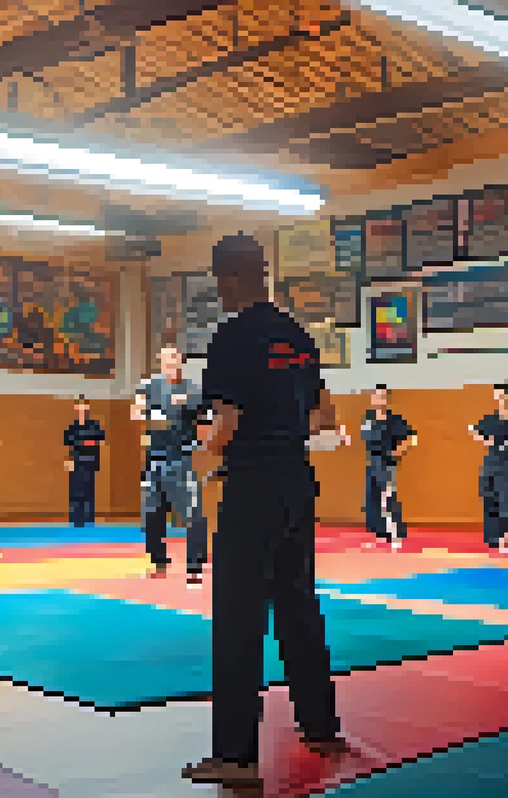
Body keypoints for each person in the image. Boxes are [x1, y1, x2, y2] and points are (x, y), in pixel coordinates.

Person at [182, 234, 348, 789]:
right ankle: (321, 727)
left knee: (238, 618)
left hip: (252, 487)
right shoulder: (298, 337)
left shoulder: (231, 337)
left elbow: (224, 427)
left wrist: (201, 451)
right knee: (298, 606)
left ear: (226, 279)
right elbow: (324, 418)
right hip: (297, 483)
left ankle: (234, 754)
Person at [132, 346, 209, 587]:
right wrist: (147, 413)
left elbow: (206, 415)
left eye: (174, 359)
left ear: (180, 362)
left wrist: (187, 405)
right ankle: (158, 562)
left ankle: (195, 566)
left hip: (181, 457)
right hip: (154, 458)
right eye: (165, 359)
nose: (170, 363)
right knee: (152, 513)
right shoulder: (149, 385)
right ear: (160, 362)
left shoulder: (192, 388)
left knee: (191, 512)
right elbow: (136, 410)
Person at [472, 383, 508, 552]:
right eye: (497, 395)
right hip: (490, 462)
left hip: (505, 463)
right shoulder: (489, 418)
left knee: (505, 500)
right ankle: (491, 538)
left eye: (503, 395)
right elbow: (478, 434)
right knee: (489, 499)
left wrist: (507, 443)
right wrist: (484, 439)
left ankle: (504, 538)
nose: (499, 399)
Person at [360, 384, 416, 551]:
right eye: (376, 396)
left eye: (382, 396)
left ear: (386, 398)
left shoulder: (394, 419)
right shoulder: (368, 418)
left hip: (386, 462)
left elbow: (412, 437)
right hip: (372, 462)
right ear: (372, 398)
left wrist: (398, 451)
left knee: (388, 499)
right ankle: (380, 534)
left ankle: (396, 534)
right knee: (372, 499)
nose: (379, 399)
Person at [63, 395, 105, 527]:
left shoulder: (94, 426)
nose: (81, 409)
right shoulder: (72, 427)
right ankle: (76, 521)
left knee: (88, 494)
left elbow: (100, 441)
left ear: (88, 408)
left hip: (89, 463)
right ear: (76, 408)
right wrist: (68, 460)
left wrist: (86, 443)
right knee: (75, 494)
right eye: (79, 406)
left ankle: (89, 521)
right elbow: (68, 445)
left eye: (84, 406)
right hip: (76, 464)